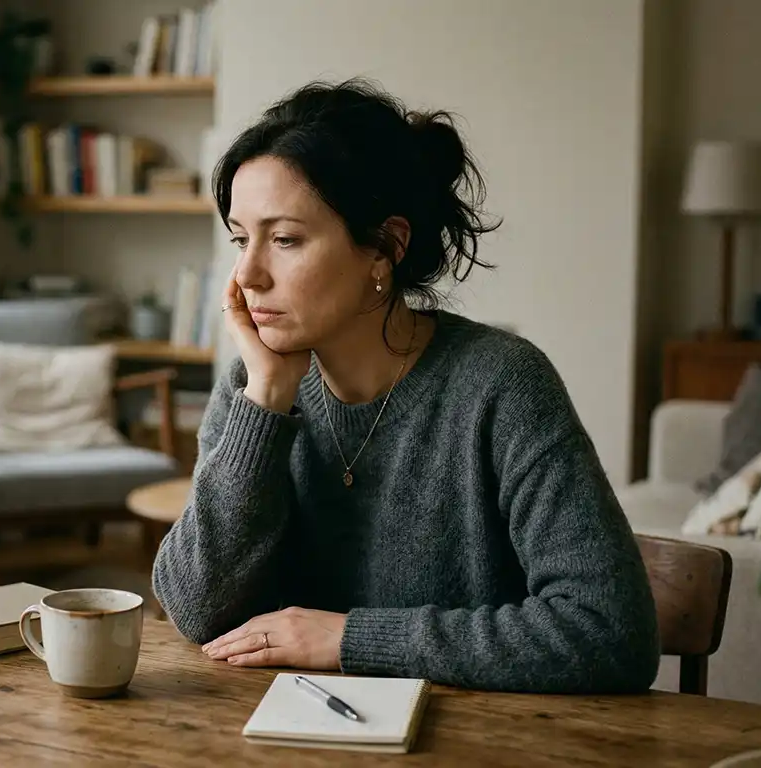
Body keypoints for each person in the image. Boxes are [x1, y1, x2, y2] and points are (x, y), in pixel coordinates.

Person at [150, 78, 660, 694]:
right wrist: (264, 400)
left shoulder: (502, 385)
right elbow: (194, 609)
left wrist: (348, 639)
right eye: (240, 238)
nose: (247, 274)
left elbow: (610, 631)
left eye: (284, 240)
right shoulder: (253, 383)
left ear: (385, 247)